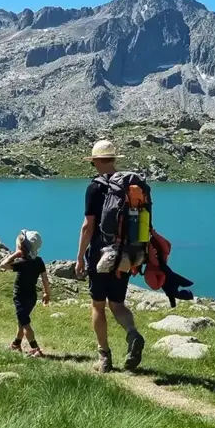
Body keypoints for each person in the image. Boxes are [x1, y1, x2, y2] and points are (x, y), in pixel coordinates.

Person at [74, 139, 146, 373]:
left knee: (98, 305)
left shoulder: (95, 187)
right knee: (117, 303)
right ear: (114, 159)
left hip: (101, 255)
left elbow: (88, 226)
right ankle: (133, 334)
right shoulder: (128, 186)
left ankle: (104, 357)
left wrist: (79, 257)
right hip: (126, 254)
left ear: (95, 161)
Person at [0, 229, 51, 356]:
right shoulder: (39, 261)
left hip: (20, 297)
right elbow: (45, 278)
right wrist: (47, 293)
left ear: (22, 247)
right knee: (21, 322)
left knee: (25, 323)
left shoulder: (21, 262)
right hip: (32, 297)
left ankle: (35, 349)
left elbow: (3, 265)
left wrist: (15, 254)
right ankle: (16, 344)